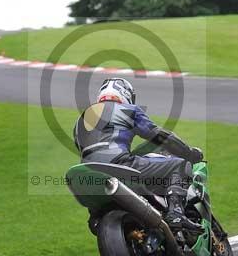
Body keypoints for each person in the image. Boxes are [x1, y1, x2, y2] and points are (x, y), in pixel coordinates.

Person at [73, 77, 204, 234]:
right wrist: (189, 153)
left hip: (90, 175)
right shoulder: (128, 110)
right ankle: (176, 214)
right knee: (180, 165)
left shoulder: (80, 122)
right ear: (125, 95)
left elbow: (96, 152)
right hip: (120, 165)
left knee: (96, 214)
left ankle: (96, 216)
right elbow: (159, 136)